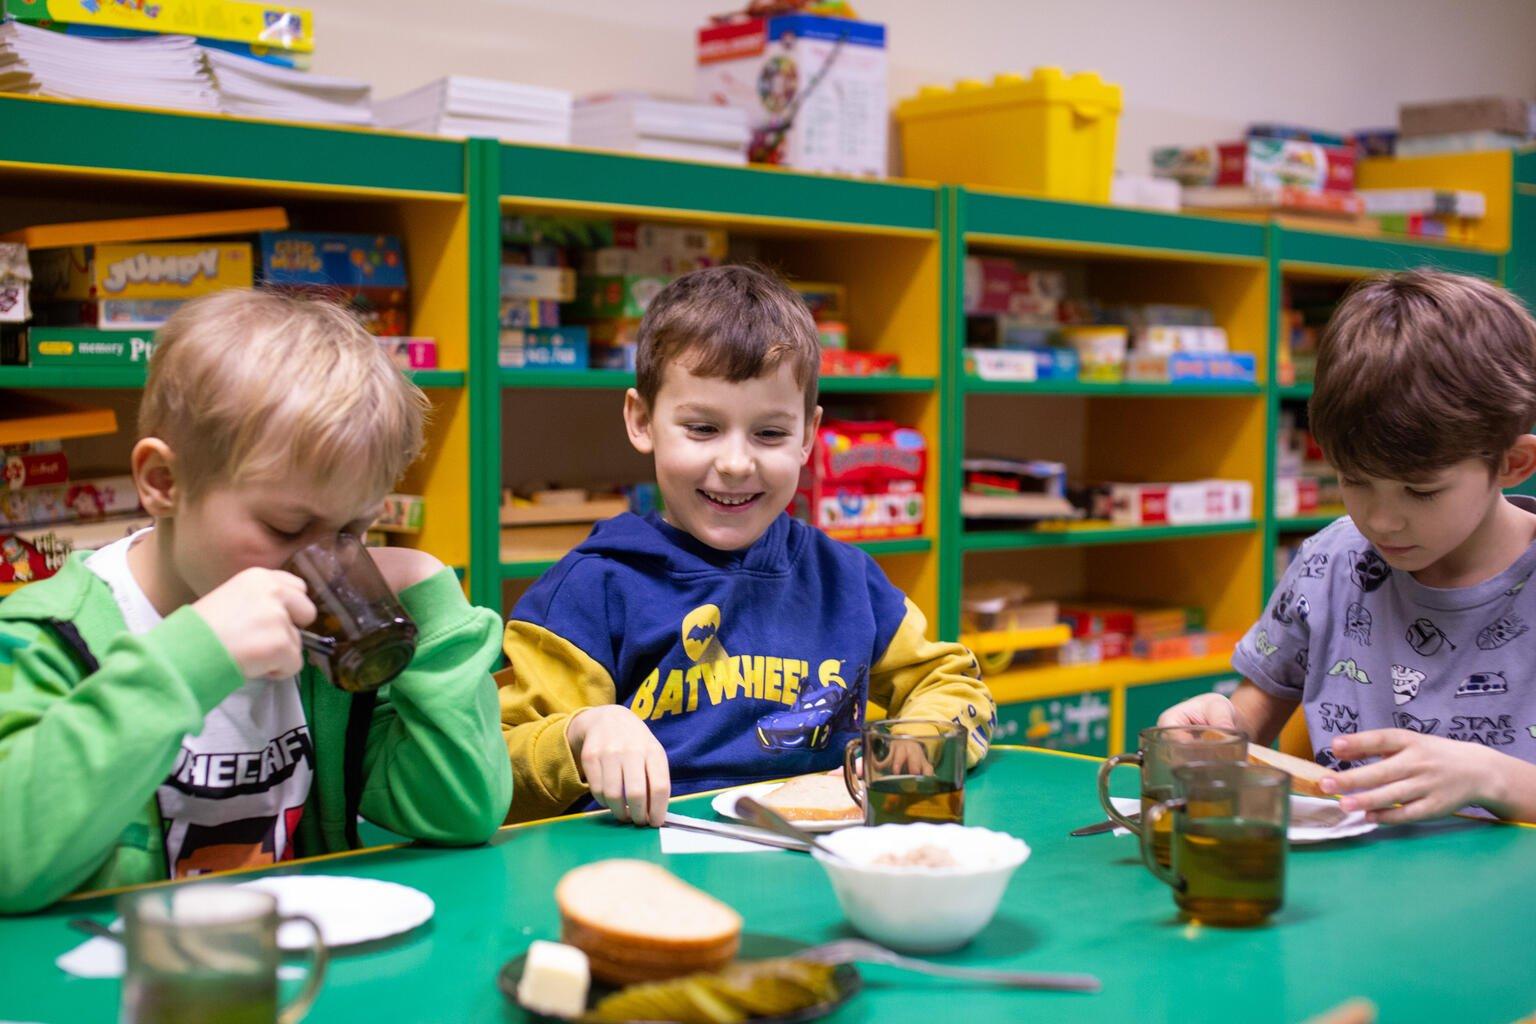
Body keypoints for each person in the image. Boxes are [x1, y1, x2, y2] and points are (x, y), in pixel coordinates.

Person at [0, 289, 510, 912]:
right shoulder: (48, 636)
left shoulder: (321, 649)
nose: (322, 564)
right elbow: (11, 860)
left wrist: (432, 595)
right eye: (287, 530)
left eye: (352, 532)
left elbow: (463, 809)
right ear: (164, 483)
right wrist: (193, 657)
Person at [499, 265, 995, 824]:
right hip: (652, 879)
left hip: (818, 872)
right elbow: (500, 765)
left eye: (770, 433)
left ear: (808, 435)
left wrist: (911, 753)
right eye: (703, 428)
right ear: (641, 420)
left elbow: (949, 682)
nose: (736, 464)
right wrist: (583, 731)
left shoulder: (847, 581)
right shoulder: (593, 587)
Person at [1161, 270, 1536, 824]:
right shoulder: (1332, 560)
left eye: (1421, 490)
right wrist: (1217, 728)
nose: (1381, 520)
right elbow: (1253, 715)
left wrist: (1492, 776)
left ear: (1513, 463)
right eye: (1355, 481)